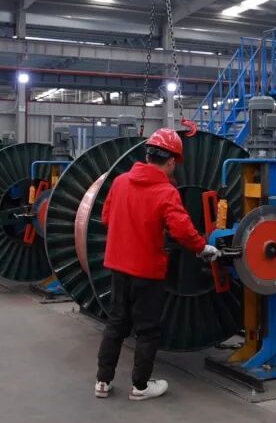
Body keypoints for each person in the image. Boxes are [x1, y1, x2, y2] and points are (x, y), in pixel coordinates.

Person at [94, 128, 222, 401]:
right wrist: (202, 248)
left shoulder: (120, 182)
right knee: (148, 329)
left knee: (116, 323)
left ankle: (103, 382)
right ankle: (140, 387)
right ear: (172, 161)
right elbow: (182, 230)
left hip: (117, 265)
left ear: (148, 155)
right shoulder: (165, 191)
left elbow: (106, 218)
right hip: (147, 271)